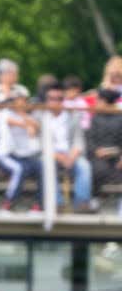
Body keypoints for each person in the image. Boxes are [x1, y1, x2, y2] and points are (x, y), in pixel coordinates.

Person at [45, 84, 96, 212]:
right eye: (52, 98)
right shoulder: (41, 117)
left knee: (84, 166)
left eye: (59, 98)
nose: (56, 102)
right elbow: (40, 144)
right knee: (46, 165)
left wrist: (71, 157)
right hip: (51, 155)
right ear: (47, 100)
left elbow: (78, 141)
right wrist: (56, 155)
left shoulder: (73, 116)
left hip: (71, 154)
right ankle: (58, 203)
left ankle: (81, 203)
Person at [0, 92, 42, 211]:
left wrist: (27, 119)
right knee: (18, 169)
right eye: (18, 100)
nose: (21, 103)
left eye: (24, 100)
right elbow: (14, 122)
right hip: (6, 155)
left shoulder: (29, 117)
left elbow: (36, 127)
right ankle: (8, 203)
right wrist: (27, 124)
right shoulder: (5, 114)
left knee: (43, 169)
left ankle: (39, 204)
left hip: (24, 156)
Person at [87, 88, 122, 211]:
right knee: (97, 169)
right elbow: (90, 139)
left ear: (106, 101)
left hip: (117, 156)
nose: (97, 103)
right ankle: (94, 199)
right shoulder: (95, 118)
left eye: (99, 100)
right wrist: (96, 151)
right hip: (99, 156)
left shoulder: (120, 117)